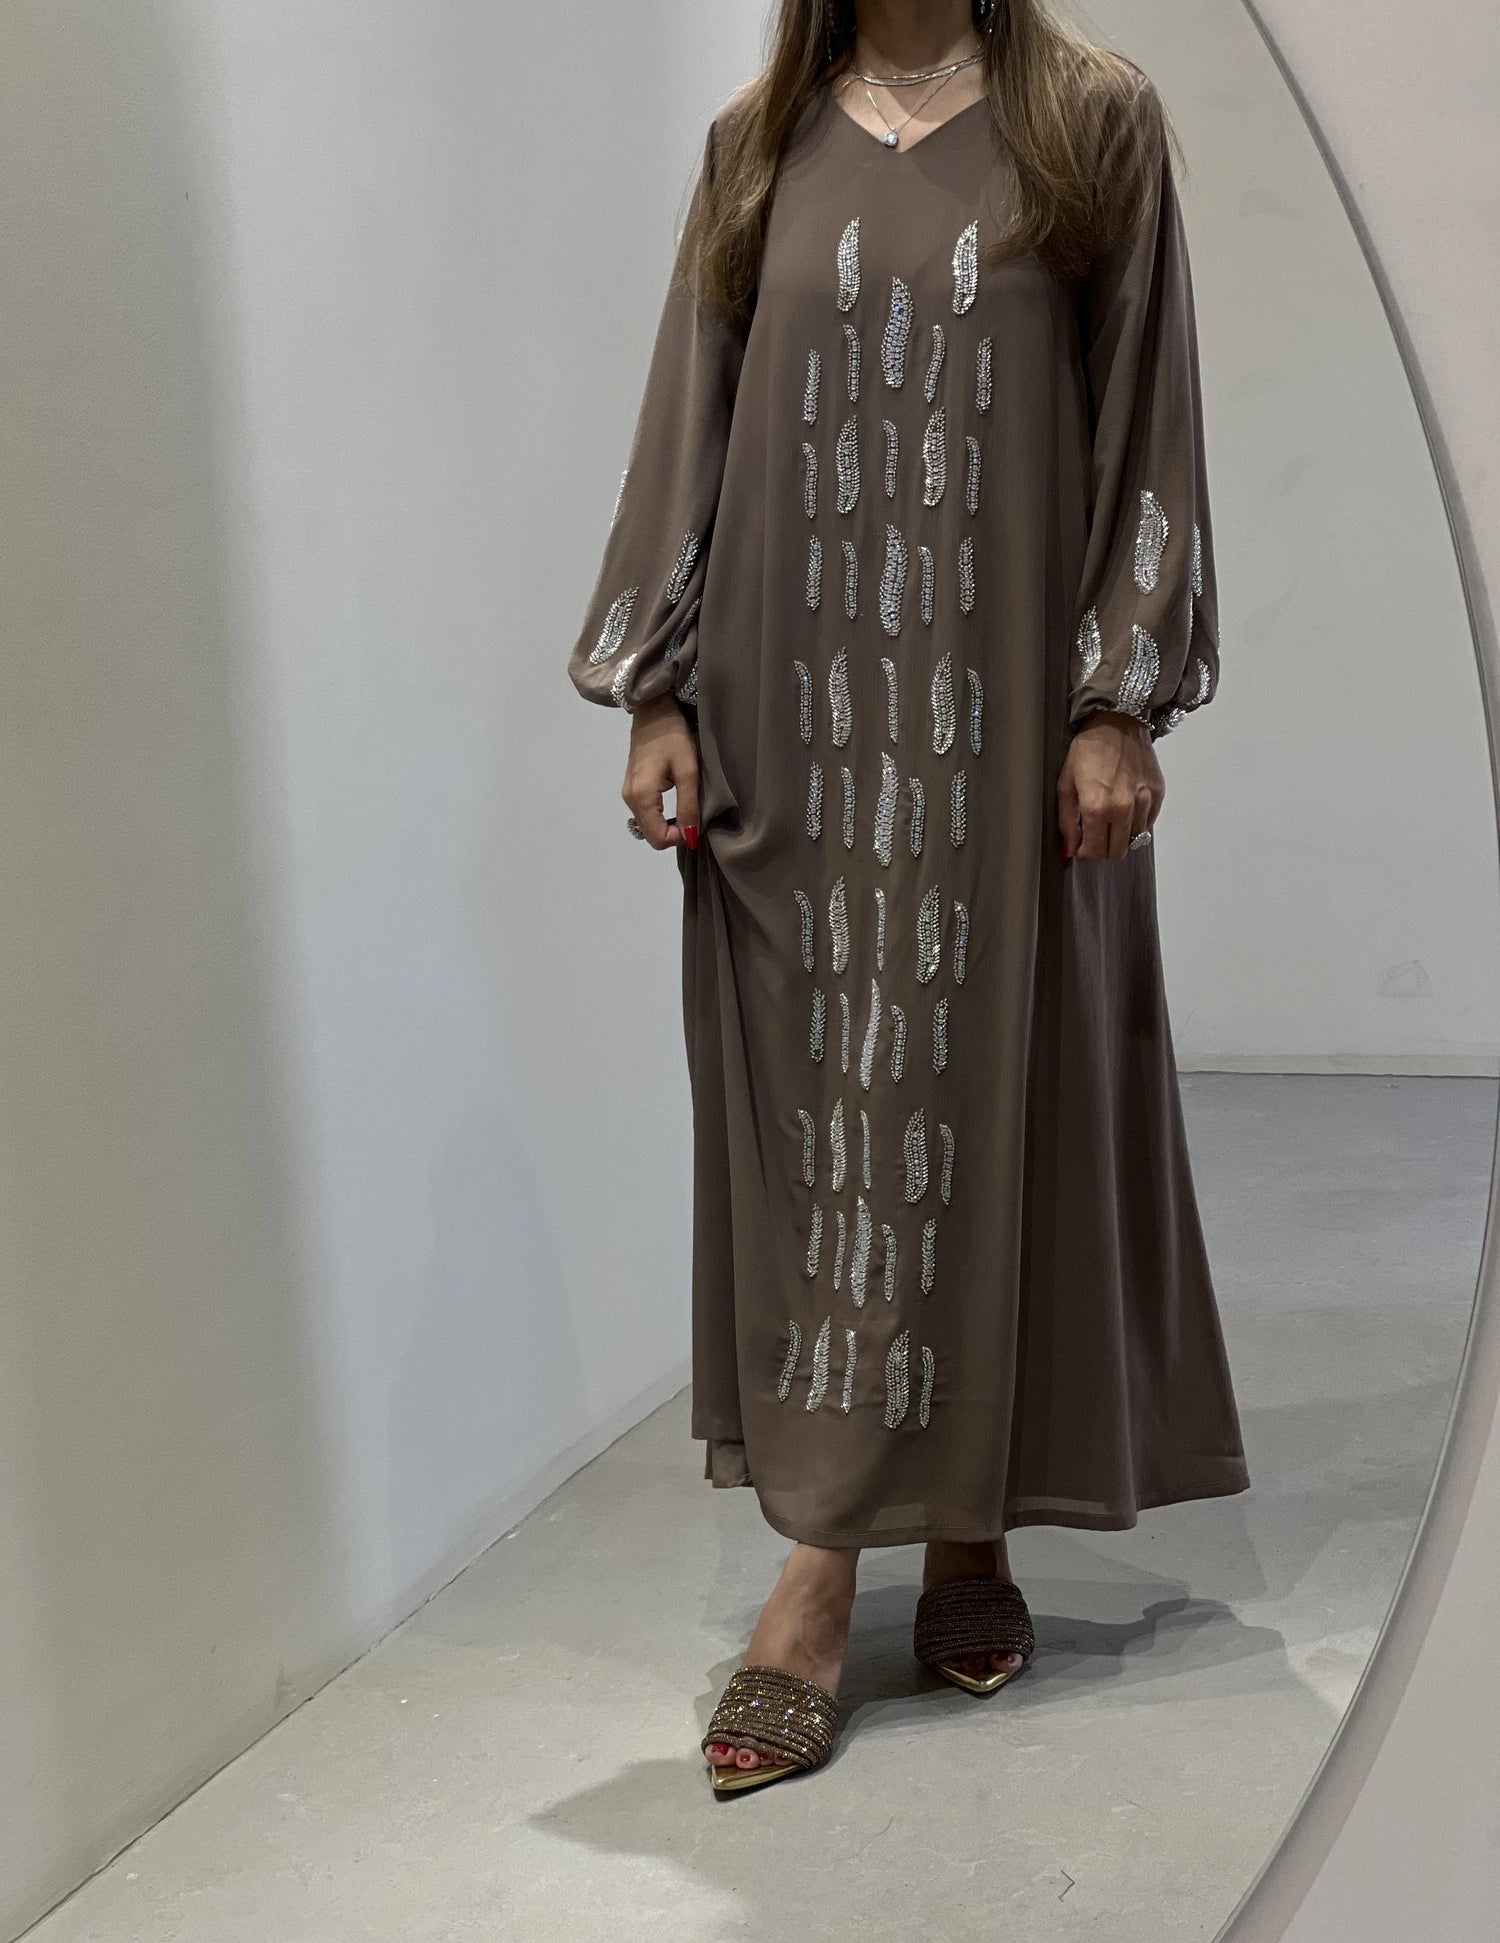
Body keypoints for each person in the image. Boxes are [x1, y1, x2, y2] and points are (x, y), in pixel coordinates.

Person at [567, 0, 1250, 1794]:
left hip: (1007, 727)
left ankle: (941, 1537)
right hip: (790, 726)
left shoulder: (1091, 119)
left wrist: (1116, 700)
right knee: (828, 1129)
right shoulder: (756, 145)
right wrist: (655, 688)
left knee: (993, 1101)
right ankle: (839, 1549)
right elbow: (690, 423)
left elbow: (1148, 421)